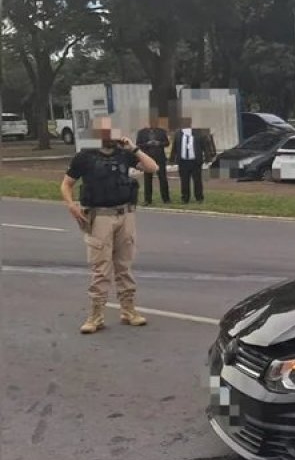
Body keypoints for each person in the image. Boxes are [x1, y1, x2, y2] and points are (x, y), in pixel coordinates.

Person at [62, 120, 160, 334]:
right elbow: (66, 184)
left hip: (124, 214)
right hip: (100, 217)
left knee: (124, 266)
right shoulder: (85, 157)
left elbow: (153, 167)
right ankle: (96, 315)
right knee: (101, 268)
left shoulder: (124, 154)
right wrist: (71, 205)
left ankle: (128, 310)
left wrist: (133, 148)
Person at [169, 121, 216, 204]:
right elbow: (174, 147)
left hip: (195, 161)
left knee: (197, 180)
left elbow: (204, 146)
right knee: (184, 181)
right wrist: (171, 159)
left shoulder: (198, 134)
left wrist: (207, 158)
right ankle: (185, 198)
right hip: (183, 161)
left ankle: (199, 198)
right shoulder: (178, 134)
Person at [135, 118, 171, 204]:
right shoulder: (141, 132)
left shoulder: (161, 131)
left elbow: (167, 143)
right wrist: (147, 144)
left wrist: (158, 143)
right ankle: (147, 200)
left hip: (160, 159)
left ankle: (166, 199)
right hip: (147, 159)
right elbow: (138, 144)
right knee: (147, 180)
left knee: (163, 179)